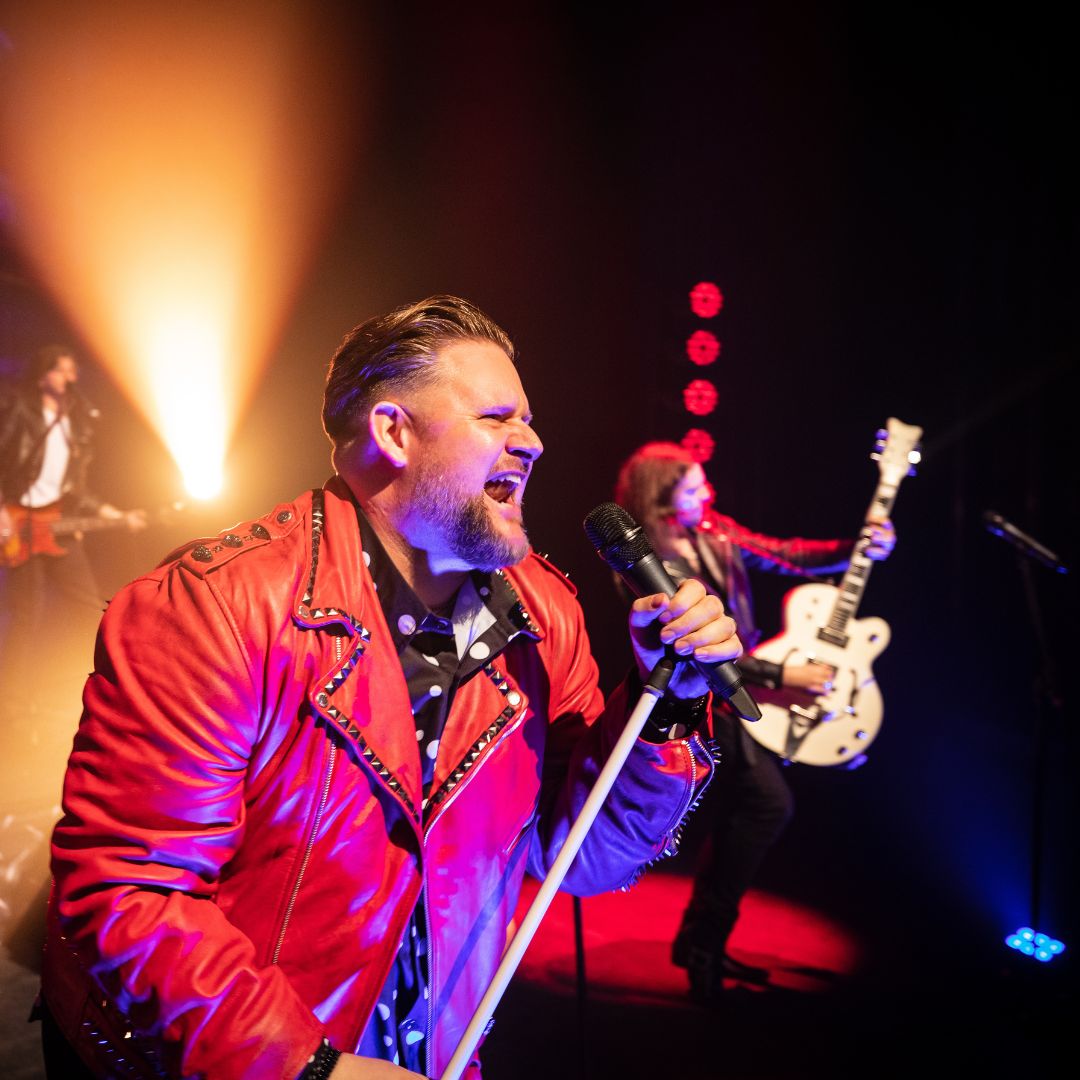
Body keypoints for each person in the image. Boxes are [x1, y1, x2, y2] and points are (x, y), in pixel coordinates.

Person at [37, 296, 745, 1080]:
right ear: (392, 432)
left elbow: (582, 858)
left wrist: (666, 701)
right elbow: (131, 891)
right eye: (497, 417)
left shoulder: (545, 616)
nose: (533, 442)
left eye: (530, 419)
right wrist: (308, 1069)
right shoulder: (219, 606)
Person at [612, 440, 895, 1001]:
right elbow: (694, 646)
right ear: (663, 499)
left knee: (751, 809)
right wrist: (780, 674)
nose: (707, 493)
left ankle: (702, 941)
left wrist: (856, 547)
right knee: (766, 804)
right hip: (707, 702)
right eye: (694, 487)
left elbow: (787, 553)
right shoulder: (655, 563)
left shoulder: (712, 531)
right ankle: (701, 944)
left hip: (743, 692)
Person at [0, 344, 147, 732]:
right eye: (62, 371)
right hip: (19, 523)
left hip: (57, 525)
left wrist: (111, 514)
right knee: (25, 617)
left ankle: (110, 686)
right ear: (42, 374)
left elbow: (74, 489)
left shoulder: (75, 425)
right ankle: (9, 708)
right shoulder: (17, 410)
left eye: (72, 371)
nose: (70, 378)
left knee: (89, 605)